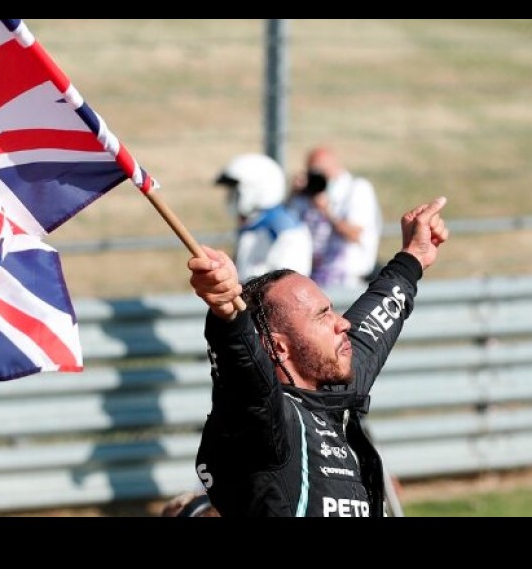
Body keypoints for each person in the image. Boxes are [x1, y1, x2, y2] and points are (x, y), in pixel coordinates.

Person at [186, 196, 449, 517]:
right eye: (322, 316)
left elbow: (372, 329)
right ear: (279, 347)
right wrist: (228, 314)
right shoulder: (265, 423)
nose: (343, 323)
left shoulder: (332, 395)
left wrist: (412, 258)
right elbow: (243, 373)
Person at [287, 145, 383, 288]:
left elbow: (354, 234)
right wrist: (293, 194)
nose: (318, 177)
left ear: (335, 166)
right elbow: (286, 225)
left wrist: (327, 211)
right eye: (312, 173)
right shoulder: (308, 195)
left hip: (348, 281)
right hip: (313, 278)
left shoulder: (356, 189)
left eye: (320, 171)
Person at [215, 153, 313, 283]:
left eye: (236, 191)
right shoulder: (253, 227)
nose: (231, 197)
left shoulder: (286, 231)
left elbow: (289, 284)